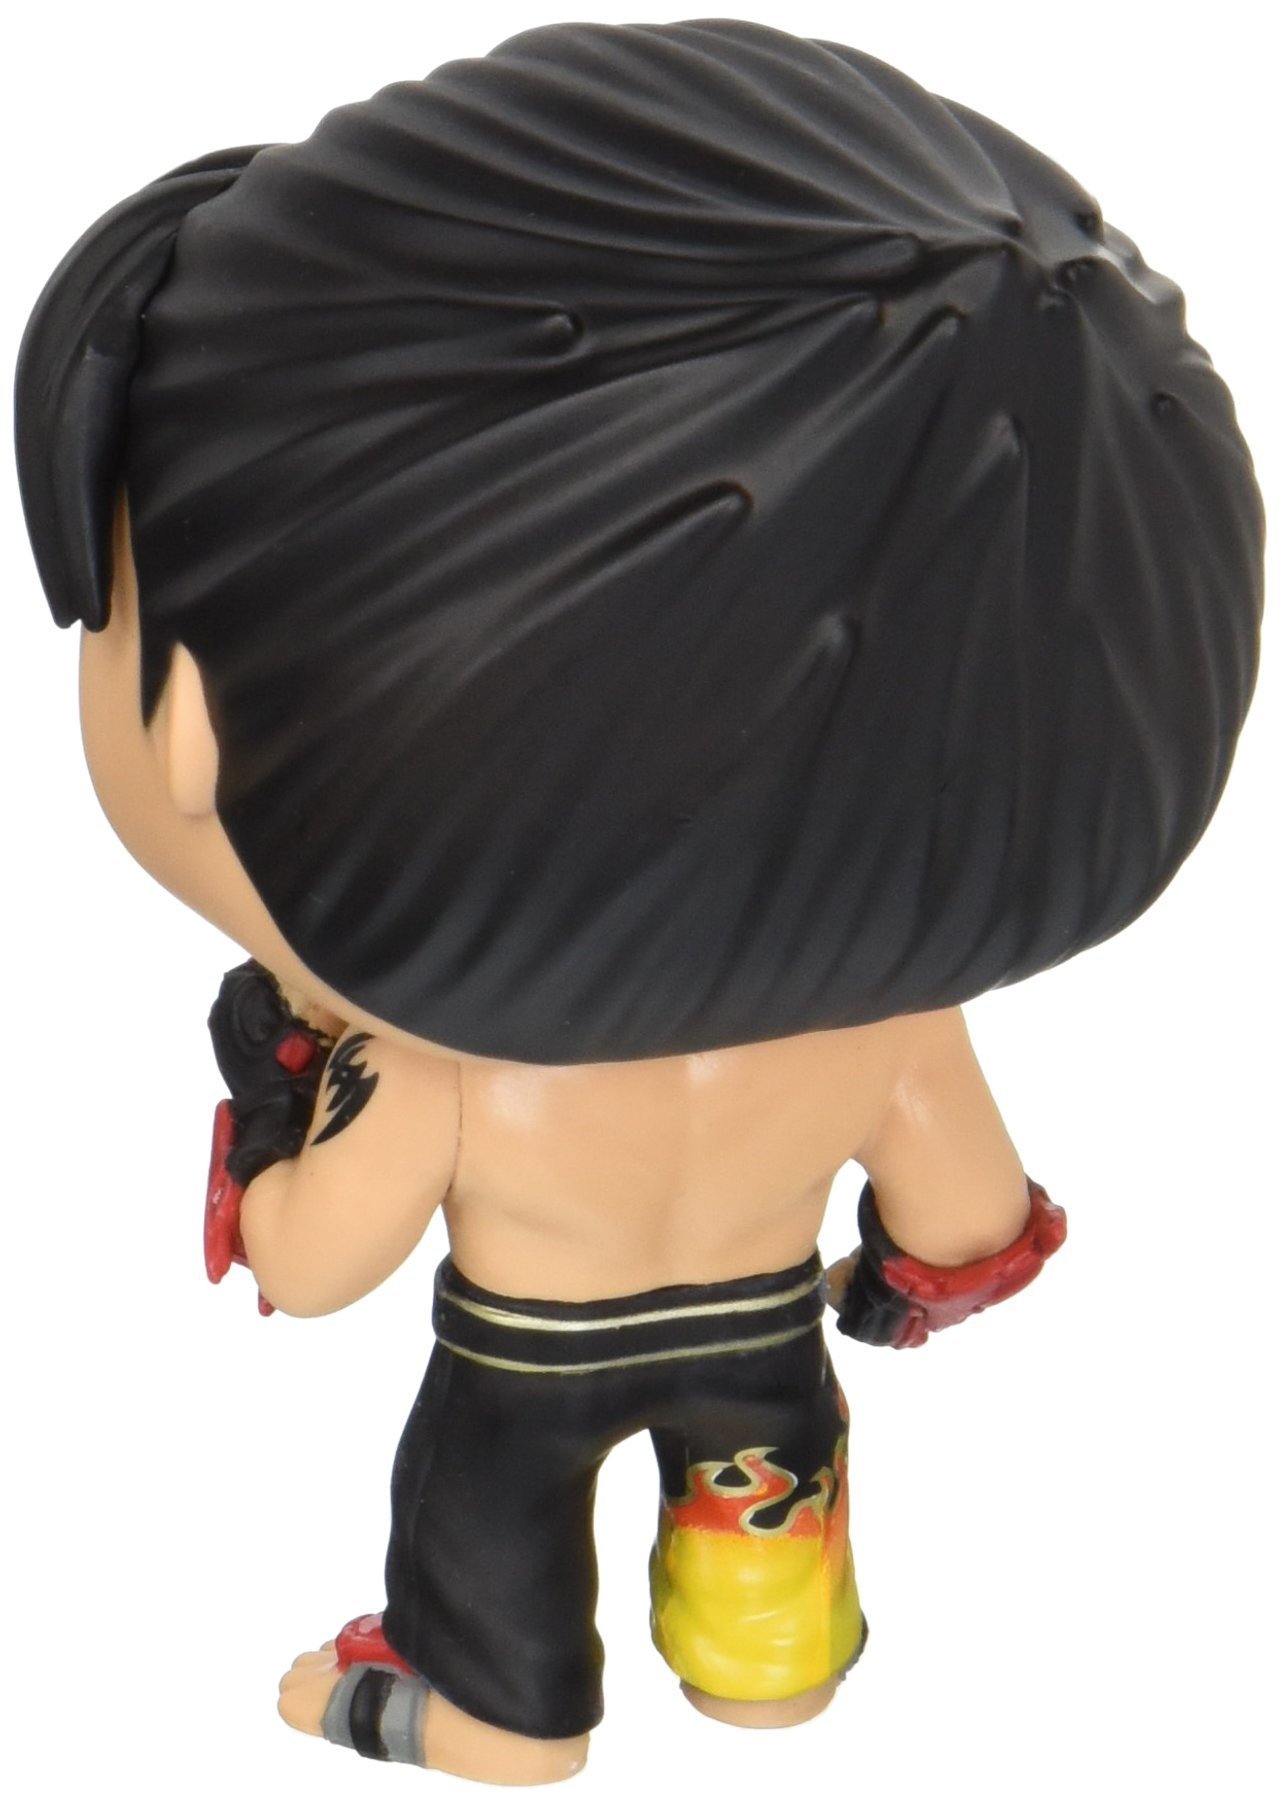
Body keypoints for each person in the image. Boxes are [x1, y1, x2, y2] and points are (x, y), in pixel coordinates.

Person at [14, 18, 1263, 1788]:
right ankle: (767, 1674)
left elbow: (312, 1263)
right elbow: (967, 1211)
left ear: (197, 728)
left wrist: (280, 1108)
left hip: (525, 1356)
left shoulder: (432, 1066)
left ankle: (496, 1707)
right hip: (761, 1334)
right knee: (773, 1501)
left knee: (488, 1519)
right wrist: (896, 1288)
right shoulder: (884, 1024)